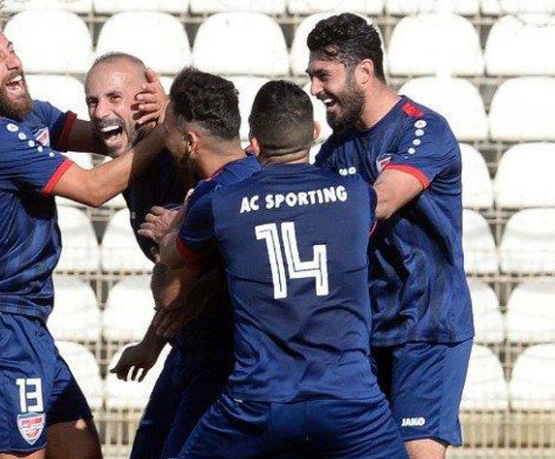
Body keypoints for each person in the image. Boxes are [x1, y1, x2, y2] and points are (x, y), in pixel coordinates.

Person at [0, 2, 168, 458]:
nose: (13, 63)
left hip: (28, 324)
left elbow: (105, 135)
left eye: (10, 50)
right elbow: (95, 188)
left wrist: (151, 112)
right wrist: (171, 128)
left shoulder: (27, 116)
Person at [144, 79, 408, 459]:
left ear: (253, 141)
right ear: (314, 132)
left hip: (257, 403)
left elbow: (174, 257)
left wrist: (173, 227)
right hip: (349, 400)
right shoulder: (356, 195)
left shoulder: (221, 203)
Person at [306, 13, 474, 459]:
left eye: (323, 75)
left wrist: (314, 199)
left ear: (364, 71)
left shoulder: (423, 129)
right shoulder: (335, 150)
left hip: (428, 322)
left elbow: (381, 200)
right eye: (311, 76)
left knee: (416, 451)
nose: (314, 89)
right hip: (366, 328)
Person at [102, 65, 239, 459]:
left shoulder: (210, 196)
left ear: (188, 139)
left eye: (114, 98)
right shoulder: (232, 180)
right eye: (93, 101)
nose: (101, 111)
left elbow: (172, 292)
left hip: (226, 358)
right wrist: (151, 344)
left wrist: (170, 241)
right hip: (189, 347)